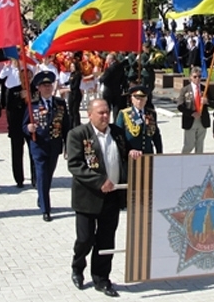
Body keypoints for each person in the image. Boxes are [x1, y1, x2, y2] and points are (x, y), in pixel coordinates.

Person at [67, 99, 135, 297]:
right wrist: (99, 181)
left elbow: (125, 152)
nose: (106, 116)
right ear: (90, 114)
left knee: (106, 241)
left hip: (112, 197)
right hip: (88, 197)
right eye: (101, 113)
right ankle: (77, 267)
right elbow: (75, 165)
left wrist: (133, 152)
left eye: (107, 112)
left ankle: (101, 278)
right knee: (85, 239)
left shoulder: (117, 133)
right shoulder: (78, 134)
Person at [23, 71, 70, 222]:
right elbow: (23, 125)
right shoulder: (33, 105)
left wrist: (67, 146)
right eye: (44, 86)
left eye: (49, 85)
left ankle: (41, 197)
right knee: (42, 176)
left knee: (48, 176)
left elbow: (66, 126)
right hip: (38, 146)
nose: (47, 88)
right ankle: (46, 209)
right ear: (39, 88)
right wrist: (28, 128)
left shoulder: (60, 104)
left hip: (54, 146)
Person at [0, 59, 36, 188]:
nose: (26, 78)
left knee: (34, 152)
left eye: (29, 75)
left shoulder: (35, 89)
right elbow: (7, 107)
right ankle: (19, 179)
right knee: (17, 153)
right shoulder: (13, 89)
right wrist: (18, 98)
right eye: (23, 76)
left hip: (31, 125)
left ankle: (35, 178)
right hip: (16, 126)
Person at [177, 66, 214, 153]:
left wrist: (207, 102)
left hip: (202, 120)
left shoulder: (204, 89)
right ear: (190, 77)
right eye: (195, 76)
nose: (197, 78)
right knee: (189, 145)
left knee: (200, 145)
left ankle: (198, 164)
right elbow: (180, 106)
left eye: (199, 76)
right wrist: (191, 113)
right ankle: (183, 160)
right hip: (190, 120)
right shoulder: (185, 90)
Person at [115, 85, 162, 155]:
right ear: (132, 99)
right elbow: (119, 137)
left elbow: (156, 135)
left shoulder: (151, 113)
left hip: (147, 154)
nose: (139, 101)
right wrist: (126, 151)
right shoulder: (124, 114)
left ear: (146, 100)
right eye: (137, 98)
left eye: (142, 99)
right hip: (131, 155)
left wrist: (159, 152)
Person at [99, 53, 126, 122]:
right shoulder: (120, 67)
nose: (106, 61)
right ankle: (116, 122)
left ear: (111, 59)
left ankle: (106, 121)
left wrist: (100, 78)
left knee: (107, 108)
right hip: (117, 89)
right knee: (116, 108)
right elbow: (123, 78)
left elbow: (104, 79)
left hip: (108, 90)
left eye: (107, 59)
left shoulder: (110, 68)